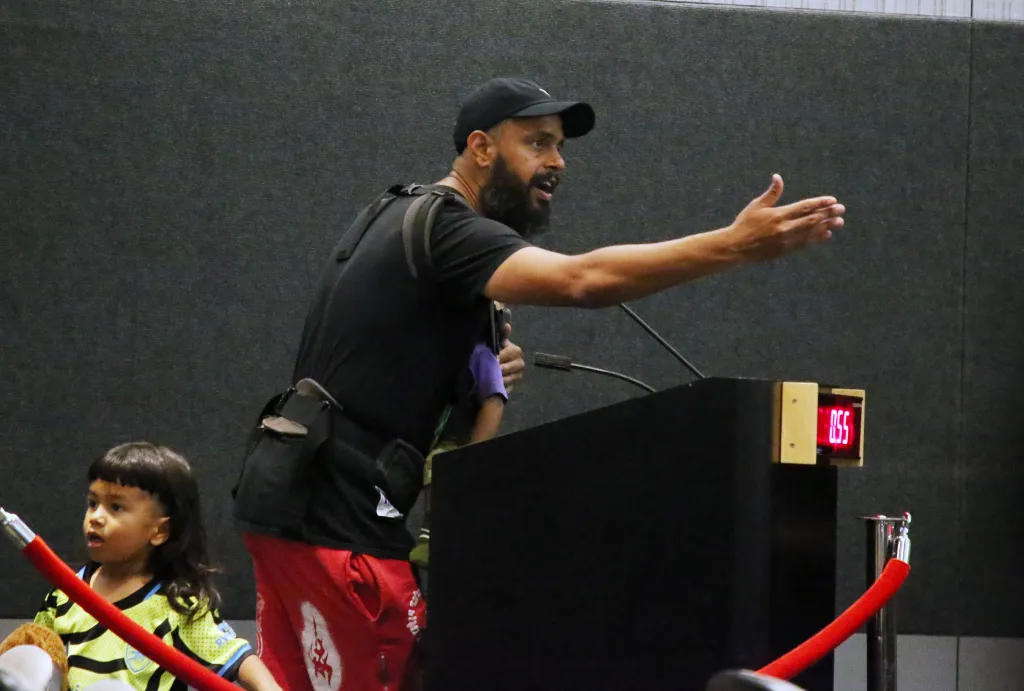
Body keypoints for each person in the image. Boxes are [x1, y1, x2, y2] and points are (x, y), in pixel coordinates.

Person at [238, 76, 846, 691]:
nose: (556, 162)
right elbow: (583, 281)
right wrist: (733, 246)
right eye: (536, 142)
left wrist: (469, 375)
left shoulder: (397, 213)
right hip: (341, 525)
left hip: (291, 503)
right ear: (480, 148)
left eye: (559, 146)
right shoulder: (449, 227)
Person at [34, 442, 281, 691]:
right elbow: (34, 653)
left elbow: (238, 659)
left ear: (160, 531)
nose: (96, 517)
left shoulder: (176, 606)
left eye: (116, 507)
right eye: (93, 503)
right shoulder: (65, 595)